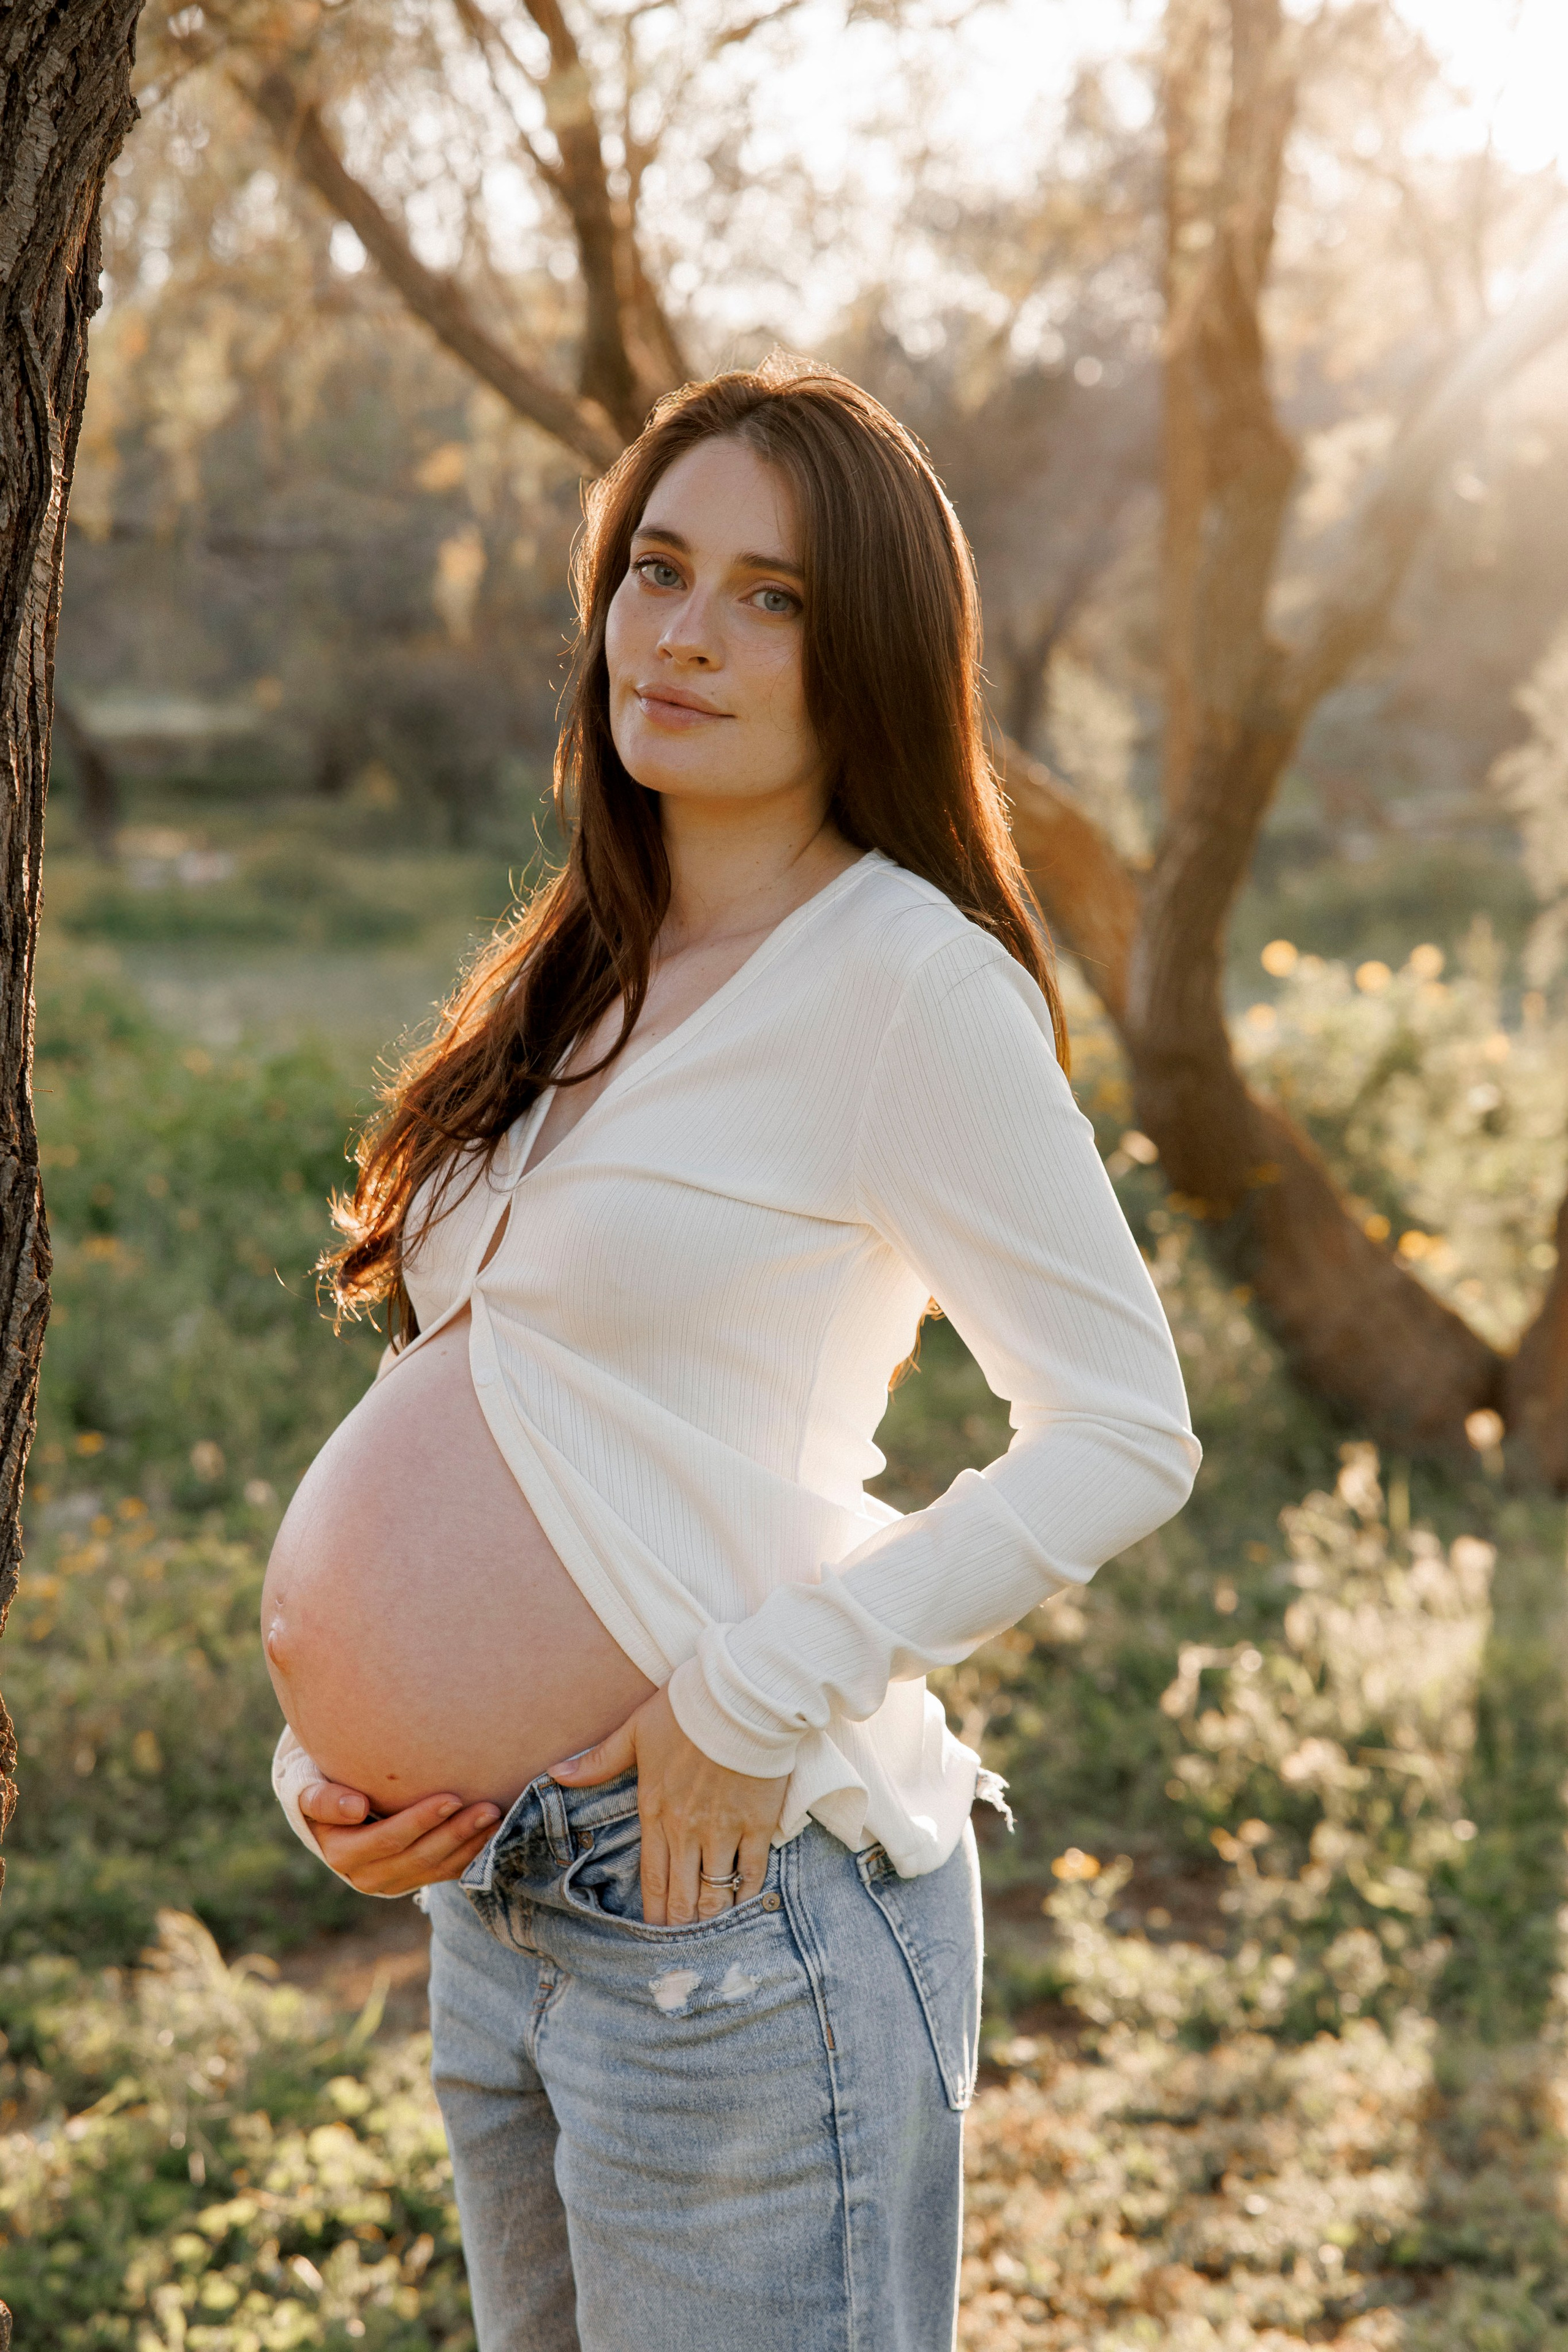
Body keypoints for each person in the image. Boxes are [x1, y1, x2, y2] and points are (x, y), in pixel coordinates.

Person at [262, 357, 1199, 2352]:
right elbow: (487, 1382)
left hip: (730, 1913)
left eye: (767, 596)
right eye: (657, 569)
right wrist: (339, 1748)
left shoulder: (907, 983)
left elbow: (1126, 1426)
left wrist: (767, 1685)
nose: (683, 634)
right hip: (498, 1905)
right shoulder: (583, 961)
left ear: (862, 653)